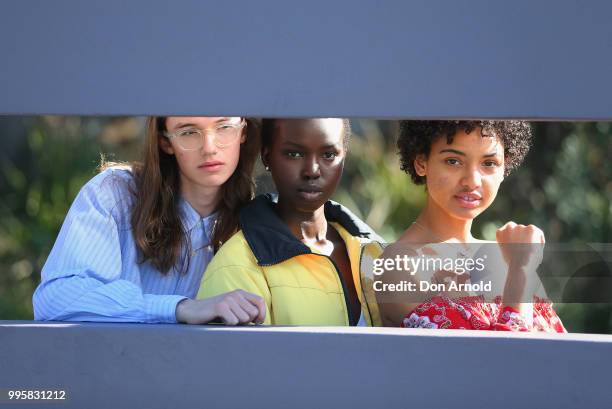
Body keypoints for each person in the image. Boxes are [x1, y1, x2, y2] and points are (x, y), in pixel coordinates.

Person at [33, 116, 266, 325]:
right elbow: (55, 298)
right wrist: (179, 308)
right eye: (188, 132)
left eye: (224, 127)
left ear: (243, 131)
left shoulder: (258, 224)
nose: (209, 148)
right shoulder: (114, 193)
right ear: (166, 142)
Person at [366, 120, 566, 332]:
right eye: (453, 161)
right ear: (421, 162)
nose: (472, 181)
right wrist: (521, 272)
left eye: (489, 163)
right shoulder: (400, 265)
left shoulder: (509, 254)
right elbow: (501, 360)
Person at [197, 118, 382, 325]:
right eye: (294, 154)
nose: (312, 170)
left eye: (329, 155)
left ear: (343, 157)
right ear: (267, 157)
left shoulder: (378, 254)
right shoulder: (235, 265)